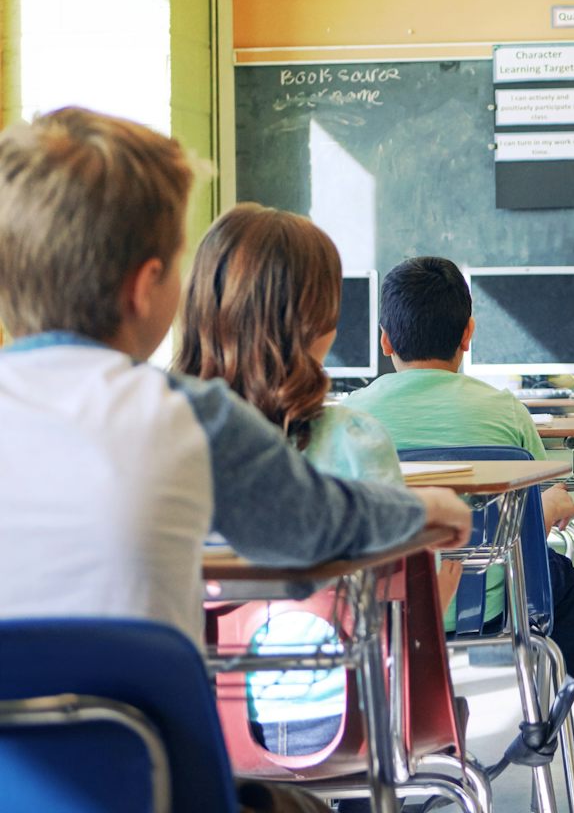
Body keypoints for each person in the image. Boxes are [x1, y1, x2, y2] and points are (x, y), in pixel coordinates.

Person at [0, 109, 471, 812]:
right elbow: (313, 524)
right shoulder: (188, 415)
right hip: (162, 783)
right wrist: (424, 509)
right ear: (144, 286)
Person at [345, 257, 574, 801]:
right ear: (469, 333)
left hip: (384, 608)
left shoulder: (351, 417)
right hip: (496, 602)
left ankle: (398, 741)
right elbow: (536, 513)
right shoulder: (503, 412)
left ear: (384, 341)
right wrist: (554, 503)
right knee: (557, 581)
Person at [176, 203, 413, 758]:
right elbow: (398, 608)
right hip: (332, 724)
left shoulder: (148, 433)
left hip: (180, 720)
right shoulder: (356, 440)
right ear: (322, 323)